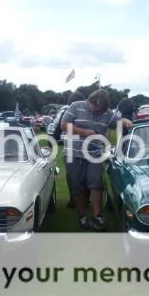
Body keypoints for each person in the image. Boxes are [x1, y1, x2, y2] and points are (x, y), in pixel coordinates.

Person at [61, 89, 132, 230]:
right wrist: (84, 132)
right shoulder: (75, 106)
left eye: (101, 111)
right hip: (72, 154)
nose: (98, 113)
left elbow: (116, 122)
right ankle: (82, 216)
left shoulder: (106, 112)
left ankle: (97, 216)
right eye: (96, 109)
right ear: (90, 101)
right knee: (77, 186)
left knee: (96, 184)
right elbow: (64, 125)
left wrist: (124, 120)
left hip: (94, 154)